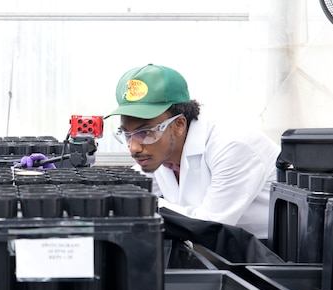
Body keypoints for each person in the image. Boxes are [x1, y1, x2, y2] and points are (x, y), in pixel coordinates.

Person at [105, 63, 280, 239]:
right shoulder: (160, 151)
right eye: (127, 134)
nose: (133, 147)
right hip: (222, 248)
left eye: (145, 132)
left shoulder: (233, 147)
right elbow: (134, 190)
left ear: (179, 125)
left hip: (272, 251)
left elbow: (209, 226)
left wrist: (139, 204)